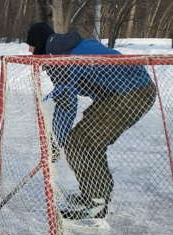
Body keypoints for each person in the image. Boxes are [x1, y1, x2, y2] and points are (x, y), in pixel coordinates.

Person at [26, 21, 156, 222]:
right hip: (124, 93)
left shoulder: (61, 59)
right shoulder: (64, 47)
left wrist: (55, 143)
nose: (29, 50)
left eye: (31, 45)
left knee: (82, 142)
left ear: (39, 42)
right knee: (85, 140)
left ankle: (96, 203)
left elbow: (66, 105)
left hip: (131, 94)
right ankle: (95, 196)